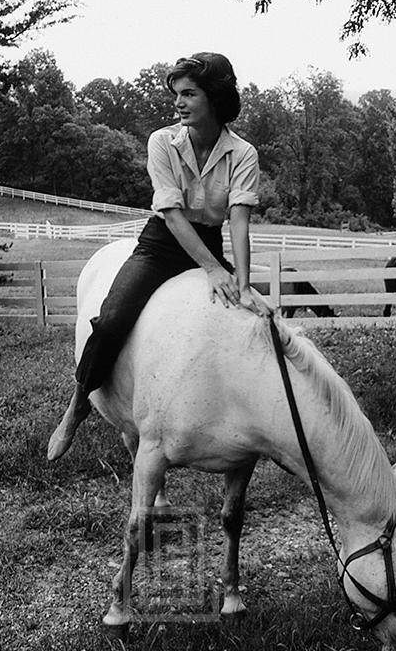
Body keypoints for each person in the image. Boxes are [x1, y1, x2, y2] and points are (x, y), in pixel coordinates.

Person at [49, 52, 272, 459]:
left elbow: (239, 220)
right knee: (113, 317)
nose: (178, 102)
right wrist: (210, 269)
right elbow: (170, 214)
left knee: (247, 323)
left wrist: (240, 283)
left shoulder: (243, 153)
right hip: (161, 244)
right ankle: (78, 404)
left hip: (209, 241)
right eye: (176, 94)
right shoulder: (162, 142)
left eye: (189, 93)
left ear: (215, 98)